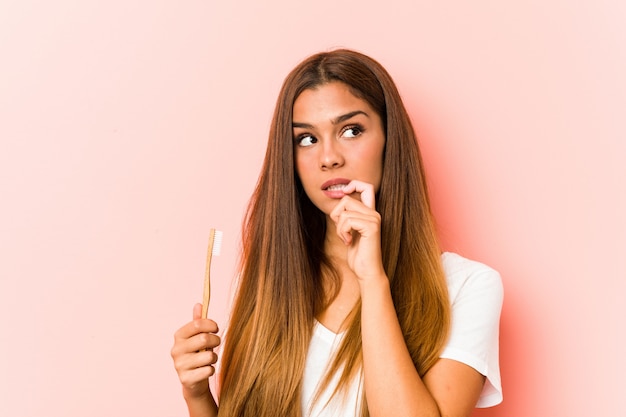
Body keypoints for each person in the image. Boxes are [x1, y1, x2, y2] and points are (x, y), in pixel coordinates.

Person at [171, 49, 503, 417]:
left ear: (390, 140)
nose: (328, 157)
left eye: (351, 130)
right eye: (307, 139)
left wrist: (372, 278)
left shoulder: (468, 287)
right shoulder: (269, 287)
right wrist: (198, 397)